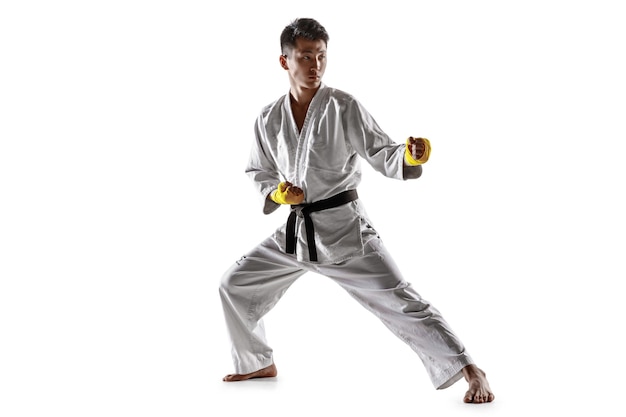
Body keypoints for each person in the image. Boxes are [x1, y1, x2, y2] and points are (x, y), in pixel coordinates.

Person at [218, 17, 494, 404]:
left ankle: (470, 369)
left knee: (403, 301)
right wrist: (279, 195)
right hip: (297, 233)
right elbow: (258, 169)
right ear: (285, 62)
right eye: (305, 57)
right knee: (234, 283)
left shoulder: (342, 106)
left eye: (321, 56)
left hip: (345, 232)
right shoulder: (268, 117)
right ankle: (255, 361)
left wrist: (410, 155)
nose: (315, 65)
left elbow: (384, 152)